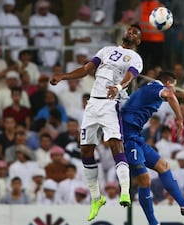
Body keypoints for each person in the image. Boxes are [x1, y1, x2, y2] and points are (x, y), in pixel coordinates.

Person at [49, 24, 143, 221]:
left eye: (135, 33)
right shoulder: (106, 50)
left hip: (111, 103)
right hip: (92, 104)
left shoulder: (135, 58)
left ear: (138, 41)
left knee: (115, 144)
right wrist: (63, 77)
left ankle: (125, 190)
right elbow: (86, 69)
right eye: (129, 30)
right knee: (85, 150)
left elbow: (129, 77)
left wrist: (117, 87)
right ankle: (96, 198)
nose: (131, 32)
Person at [119, 71, 184, 225]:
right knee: (145, 180)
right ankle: (153, 223)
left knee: (164, 166)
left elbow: (175, 96)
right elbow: (172, 96)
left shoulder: (154, 91)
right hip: (126, 138)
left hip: (135, 137)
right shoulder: (154, 89)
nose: (174, 91)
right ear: (169, 84)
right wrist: (179, 119)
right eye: (174, 87)